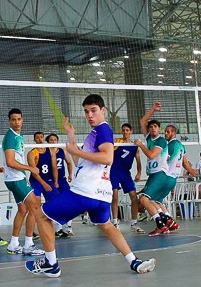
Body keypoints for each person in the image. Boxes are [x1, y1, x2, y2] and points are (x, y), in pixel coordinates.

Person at [24, 94, 156, 277]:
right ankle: (134, 261)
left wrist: (76, 151)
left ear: (103, 111)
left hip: (84, 192)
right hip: (101, 196)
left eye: (93, 110)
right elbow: (81, 162)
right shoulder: (95, 133)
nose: (89, 115)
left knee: (41, 215)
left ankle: (51, 264)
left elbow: (107, 158)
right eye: (86, 112)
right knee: (108, 226)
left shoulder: (103, 130)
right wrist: (71, 137)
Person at [1, 109, 44, 255]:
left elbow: (17, 159)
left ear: (22, 119)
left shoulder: (19, 136)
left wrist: (25, 174)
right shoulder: (10, 137)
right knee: (35, 207)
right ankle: (29, 244)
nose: (17, 122)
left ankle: (13, 244)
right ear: (9, 121)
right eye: (13, 119)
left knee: (23, 209)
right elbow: (10, 161)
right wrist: (31, 168)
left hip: (18, 177)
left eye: (19, 119)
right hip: (15, 179)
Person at [133, 101, 178, 235]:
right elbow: (142, 121)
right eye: (151, 126)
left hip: (159, 174)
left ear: (159, 129)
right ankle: (168, 221)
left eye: (155, 127)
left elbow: (152, 155)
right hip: (154, 174)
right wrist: (153, 109)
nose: (153, 128)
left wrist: (140, 145)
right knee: (153, 201)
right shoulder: (149, 138)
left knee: (143, 200)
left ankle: (161, 225)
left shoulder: (161, 141)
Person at [110, 123, 145, 233]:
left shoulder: (135, 146)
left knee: (134, 197)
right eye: (123, 130)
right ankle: (115, 222)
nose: (125, 132)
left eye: (127, 130)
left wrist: (139, 172)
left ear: (131, 132)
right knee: (115, 195)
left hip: (126, 173)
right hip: (114, 171)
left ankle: (134, 223)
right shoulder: (116, 142)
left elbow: (138, 161)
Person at [47, 133, 75, 237]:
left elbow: (69, 162)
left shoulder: (62, 151)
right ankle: (58, 229)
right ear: (48, 142)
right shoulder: (46, 152)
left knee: (70, 201)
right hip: (51, 181)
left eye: (55, 140)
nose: (53, 141)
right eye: (51, 140)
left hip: (62, 181)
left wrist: (70, 174)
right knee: (56, 203)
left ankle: (68, 226)